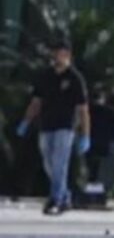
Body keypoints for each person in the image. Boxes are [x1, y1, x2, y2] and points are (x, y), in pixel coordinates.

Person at [16, 39, 91, 215]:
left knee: (59, 163)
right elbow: (36, 102)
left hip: (65, 127)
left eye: (63, 54)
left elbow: (83, 109)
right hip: (46, 125)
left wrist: (86, 134)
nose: (60, 57)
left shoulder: (75, 78)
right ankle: (64, 195)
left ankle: (55, 199)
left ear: (69, 57)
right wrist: (26, 121)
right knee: (48, 162)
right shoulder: (45, 76)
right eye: (57, 54)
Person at [84, 90, 114, 185]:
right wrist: (113, 140)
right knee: (103, 166)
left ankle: (90, 182)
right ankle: (102, 186)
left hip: (90, 141)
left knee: (90, 164)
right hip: (105, 143)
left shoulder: (88, 111)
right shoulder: (111, 112)